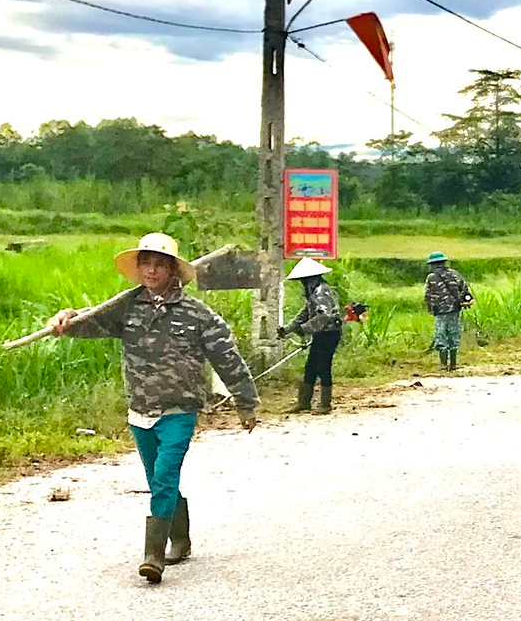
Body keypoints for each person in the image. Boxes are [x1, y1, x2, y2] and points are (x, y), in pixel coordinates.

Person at [45, 232, 257, 586]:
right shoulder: (126, 307)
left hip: (180, 409)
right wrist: (65, 320)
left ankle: (153, 556)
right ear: (138, 268)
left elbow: (227, 359)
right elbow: (87, 323)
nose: (152, 271)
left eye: (160, 264)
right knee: (157, 479)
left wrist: (246, 403)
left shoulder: (198, 315)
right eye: (146, 264)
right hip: (140, 409)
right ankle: (182, 537)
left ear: (174, 271)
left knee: (164, 477)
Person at [282, 257, 342, 414]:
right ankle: (304, 402)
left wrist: (305, 329)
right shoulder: (313, 292)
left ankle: (325, 404)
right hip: (321, 333)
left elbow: (324, 316)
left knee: (323, 366)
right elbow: (305, 313)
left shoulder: (322, 291)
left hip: (329, 333)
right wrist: (288, 329)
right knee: (311, 367)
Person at [423, 250, 474, 371]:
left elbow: (428, 296)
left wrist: (431, 309)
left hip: (440, 312)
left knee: (441, 336)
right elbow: (465, 291)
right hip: (455, 311)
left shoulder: (431, 277)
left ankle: (443, 365)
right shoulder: (455, 274)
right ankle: (453, 364)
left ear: (433, 264)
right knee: (454, 335)